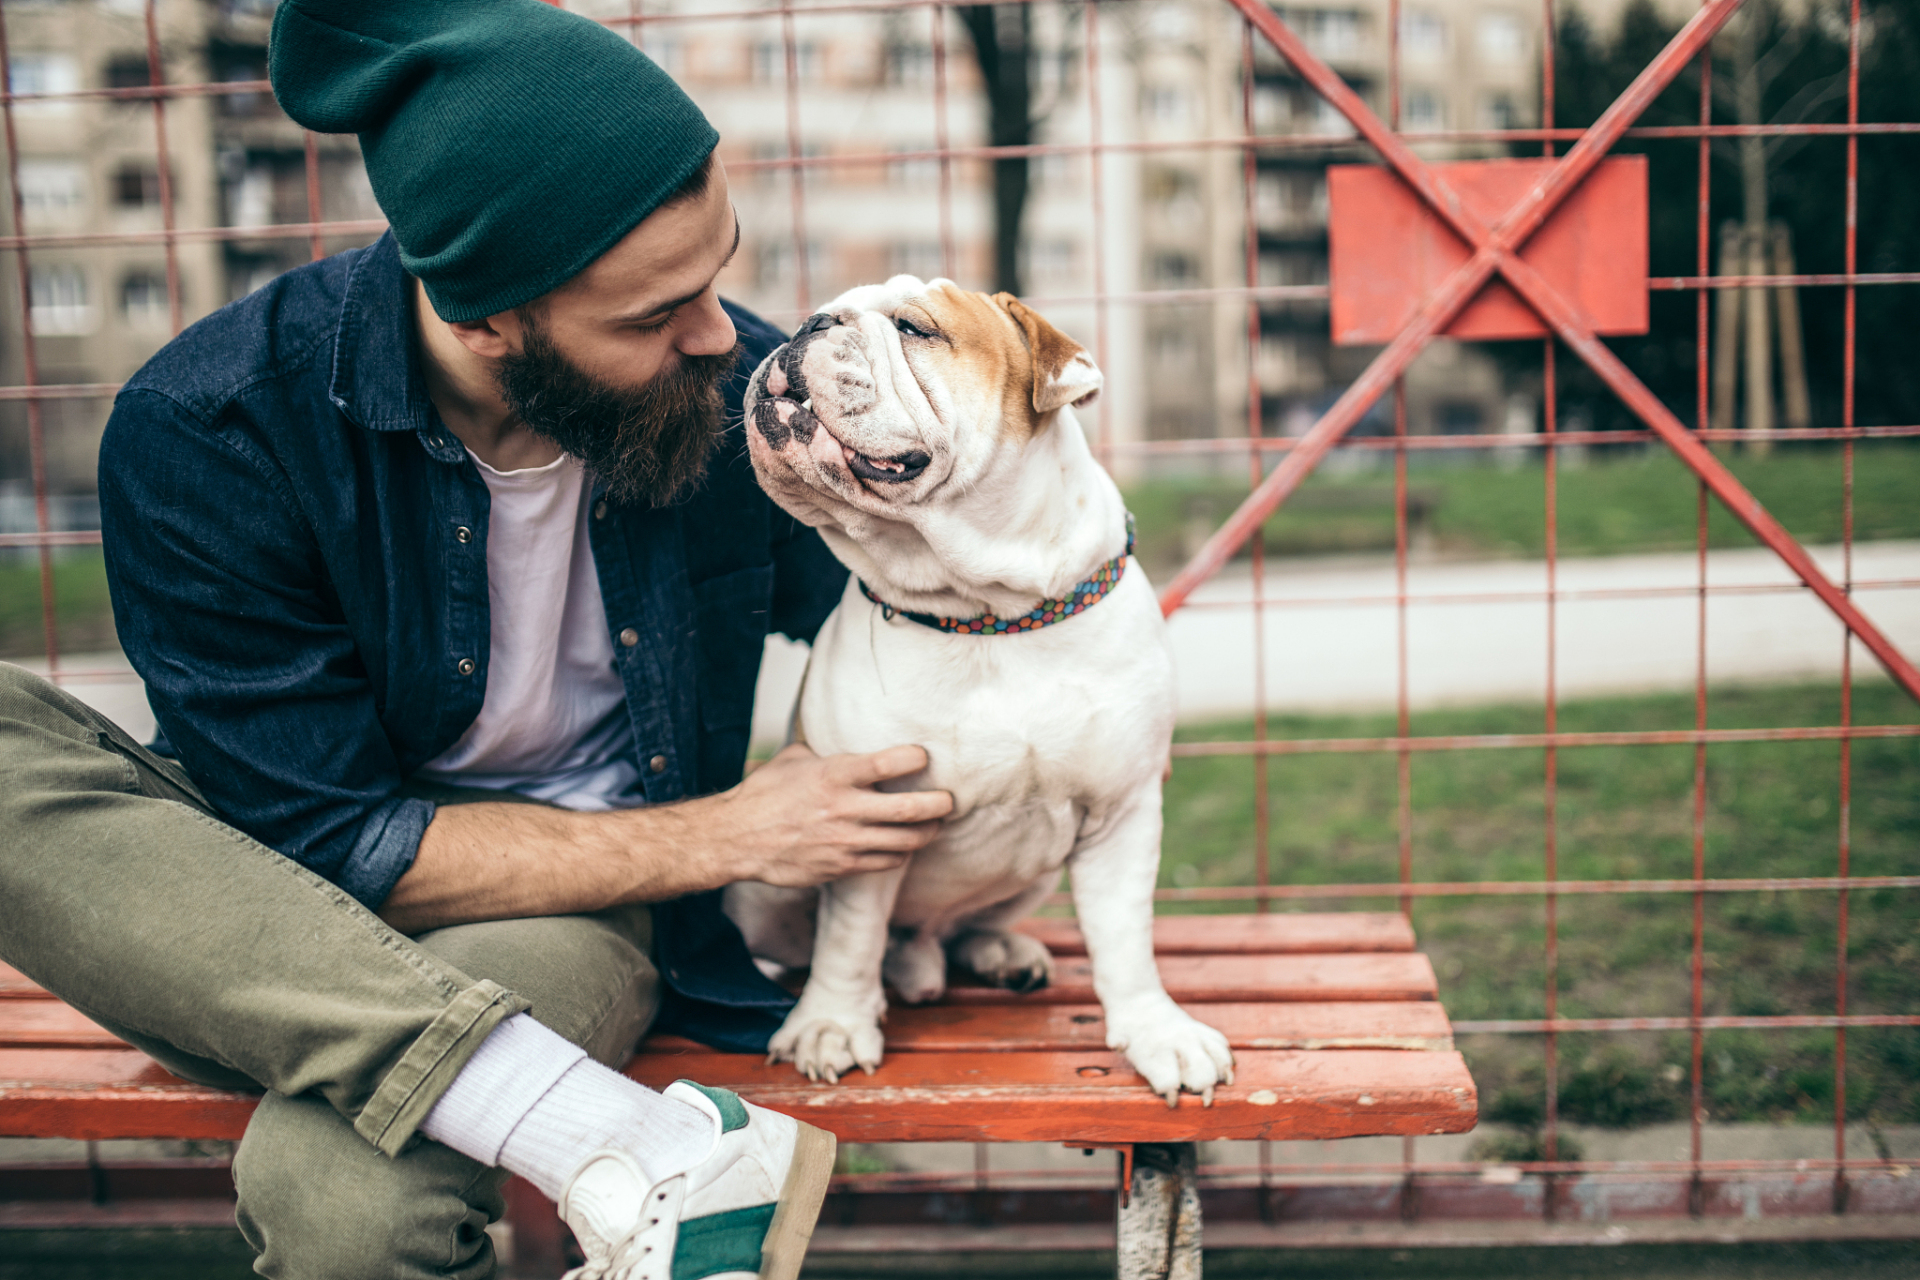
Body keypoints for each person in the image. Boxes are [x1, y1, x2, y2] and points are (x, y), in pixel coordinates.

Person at [0, 2, 953, 1276]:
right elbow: (325, 845)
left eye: (718, 275)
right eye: (654, 313)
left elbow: (928, 622)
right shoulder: (216, 428)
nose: (719, 335)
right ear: (483, 314)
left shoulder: (740, 396)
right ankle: (616, 1136)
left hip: (570, 913)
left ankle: (596, 1133)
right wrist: (724, 834)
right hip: (255, 918)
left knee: (343, 1207)